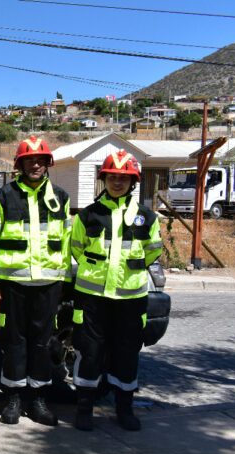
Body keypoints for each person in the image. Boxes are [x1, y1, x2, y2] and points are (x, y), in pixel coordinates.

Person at [70, 150, 162, 431]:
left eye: (124, 178)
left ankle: (125, 409)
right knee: (90, 353)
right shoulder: (88, 215)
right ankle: (84, 410)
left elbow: (153, 251)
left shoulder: (146, 217)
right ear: (104, 179)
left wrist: (127, 272)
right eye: (113, 177)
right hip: (93, 298)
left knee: (126, 354)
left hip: (130, 300)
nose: (118, 182)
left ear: (133, 181)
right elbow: (76, 247)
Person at [0, 136, 72, 426]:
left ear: (47, 164)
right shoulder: (3, 197)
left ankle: (38, 400)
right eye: (29, 160)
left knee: (43, 344)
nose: (35, 164)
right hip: (13, 284)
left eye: (40, 160)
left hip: (49, 284)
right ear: (19, 164)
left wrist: (66, 279)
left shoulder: (60, 198)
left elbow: (69, 241)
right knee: (14, 343)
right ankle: (13, 397)